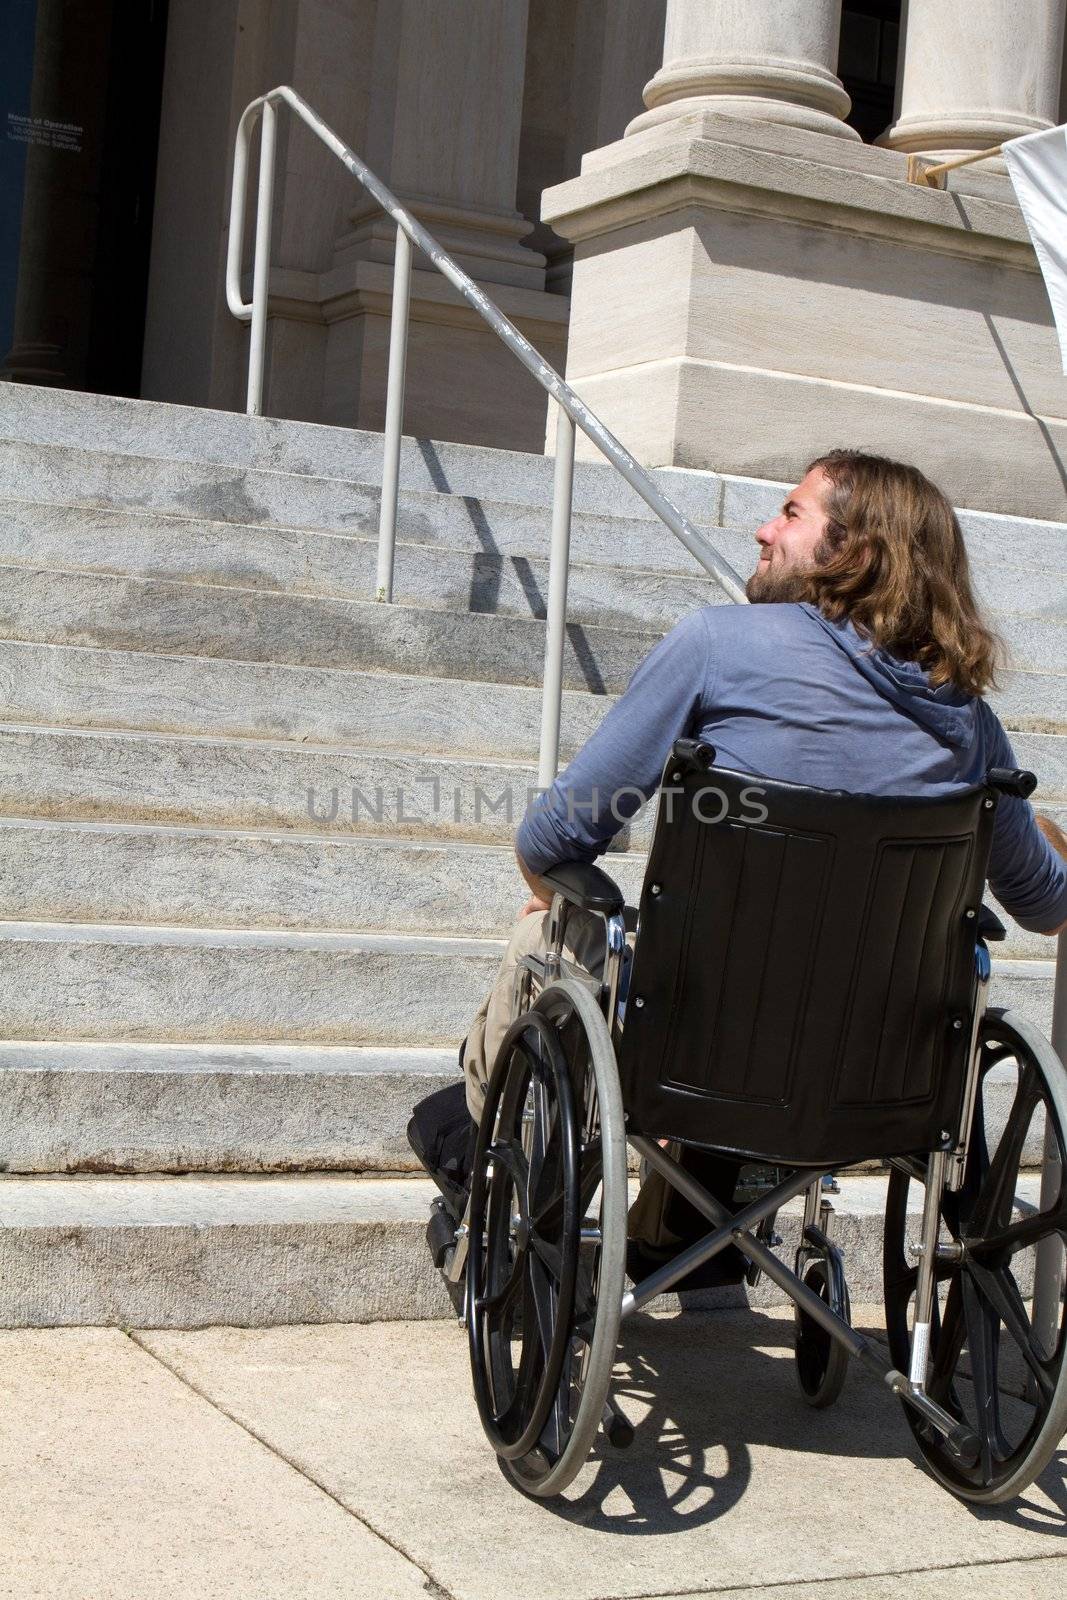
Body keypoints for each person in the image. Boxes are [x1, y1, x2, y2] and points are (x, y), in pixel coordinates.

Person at [409, 450, 1067, 1259]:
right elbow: (1043, 906)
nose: (762, 528)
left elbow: (553, 839)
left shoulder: (717, 646)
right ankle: (695, 1221)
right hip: (877, 1082)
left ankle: (504, 1175)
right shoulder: (968, 724)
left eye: (790, 514)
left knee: (552, 931)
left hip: (696, 1055)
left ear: (853, 551)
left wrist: (550, 892)